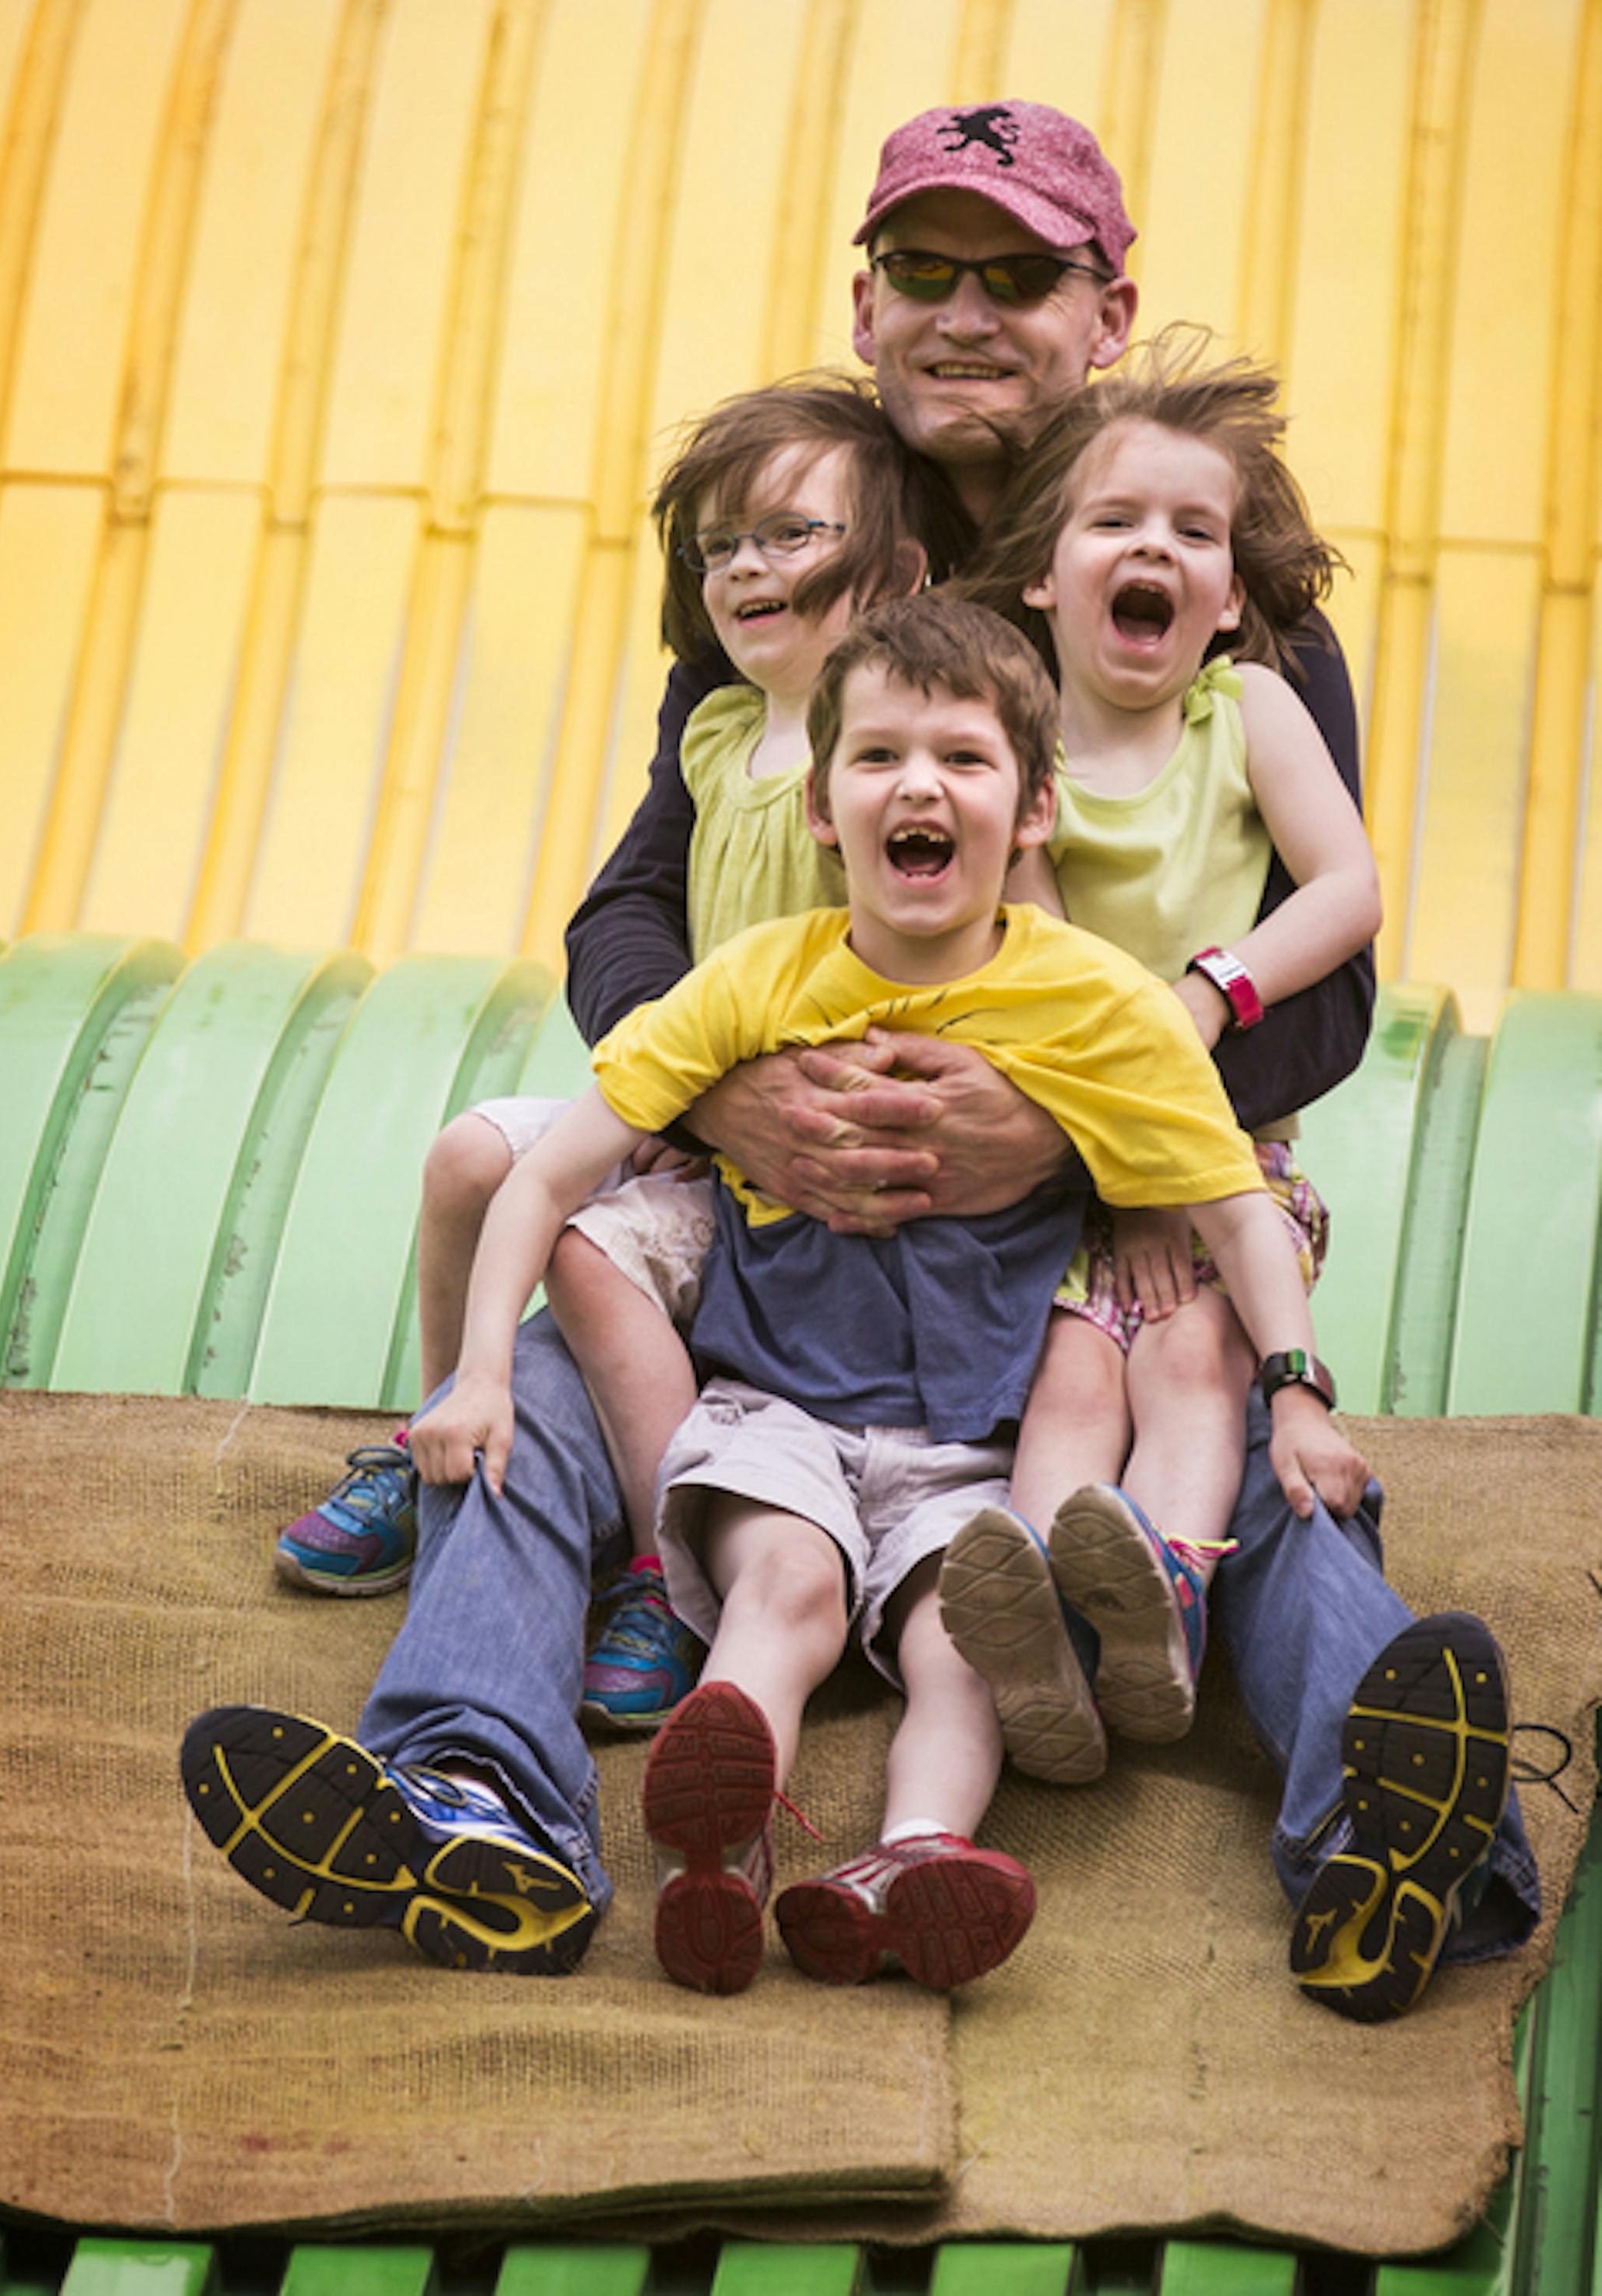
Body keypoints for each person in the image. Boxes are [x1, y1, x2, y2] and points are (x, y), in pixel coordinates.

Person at [182, 100, 1537, 2021]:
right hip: (784, 1188)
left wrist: (1065, 1122)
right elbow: (630, 914)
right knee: (556, 1389)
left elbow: (1328, 983)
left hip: (1109, 1206)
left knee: (1230, 1456)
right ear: (868, 299)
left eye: (1020, 274)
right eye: (927, 269)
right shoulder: (796, 545)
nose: (967, 312)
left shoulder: (1218, 599)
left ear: (1106, 305)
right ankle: (475, 1800)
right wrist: (733, 1089)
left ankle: (1396, 1848)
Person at [203, 594, 1365, 2000]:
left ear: (1037, 806)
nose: (918, 786)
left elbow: (1236, 1213)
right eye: (877, 759)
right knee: (784, 1587)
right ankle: (722, 1854)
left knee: (964, 1632)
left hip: (977, 1445)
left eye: (964, 758)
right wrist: (475, 1378)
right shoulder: (755, 983)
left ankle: (909, 1860)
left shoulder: (1103, 1008)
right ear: (821, 809)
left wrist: (1296, 1398)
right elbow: (545, 1173)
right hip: (779, 1414)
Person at [280, 378, 967, 1740]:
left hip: (786, 1131)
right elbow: (631, 912)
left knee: (596, 1257)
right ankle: (438, 1429)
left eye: (789, 535)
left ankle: (669, 1565)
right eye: (720, 546)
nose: (746, 568)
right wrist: (673, 1083)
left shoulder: (880, 747)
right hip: (691, 1085)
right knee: (471, 1155)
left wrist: (727, 1104)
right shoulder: (715, 731)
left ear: (896, 570)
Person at [925, 338, 1383, 1775]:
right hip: (1082, 1167)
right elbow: (1045, 967)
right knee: (1071, 1375)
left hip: (1228, 1152)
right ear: (1044, 577)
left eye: (1195, 534)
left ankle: (1166, 1597)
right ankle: (1047, 1622)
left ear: (1232, 599)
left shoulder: (1247, 712)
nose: (1157, 549)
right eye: (1116, 521)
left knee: (1192, 1358)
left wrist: (1213, 989)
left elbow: (1348, 891)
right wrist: (1121, 1155)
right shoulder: (1018, 746)